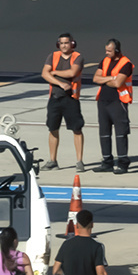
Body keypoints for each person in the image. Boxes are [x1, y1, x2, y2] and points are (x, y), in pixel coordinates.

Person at [41, 33, 85, 172]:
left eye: (67, 43)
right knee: (53, 129)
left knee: (76, 129)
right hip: (55, 97)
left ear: (72, 43)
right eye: (62, 43)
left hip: (71, 98)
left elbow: (72, 72)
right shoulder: (52, 56)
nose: (64, 45)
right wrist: (60, 83)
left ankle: (79, 161)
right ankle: (52, 160)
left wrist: (54, 72)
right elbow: (44, 74)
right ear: (58, 44)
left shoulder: (77, 57)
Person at [51, 209, 111, 275]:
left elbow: (55, 270)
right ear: (92, 224)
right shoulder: (97, 246)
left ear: (77, 225)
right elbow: (101, 274)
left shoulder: (66, 244)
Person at [91, 38, 133, 175]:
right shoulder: (104, 61)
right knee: (104, 133)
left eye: (109, 51)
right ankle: (107, 162)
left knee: (121, 134)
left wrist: (106, 79)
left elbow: (118, 83)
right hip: (103, 101)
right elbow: (95, 79)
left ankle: (122, 163)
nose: (107, 53)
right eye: (106, 50)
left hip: (118, 101)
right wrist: (110, 78)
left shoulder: (126, 64)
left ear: (117, 50)